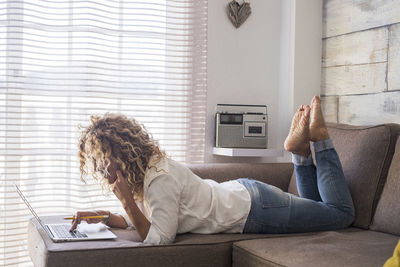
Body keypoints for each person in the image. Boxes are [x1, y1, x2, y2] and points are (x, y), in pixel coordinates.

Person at [70, 96, 355, 245]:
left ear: (121, 155)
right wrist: (102, 217)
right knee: (319, 208)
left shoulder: (158, 180)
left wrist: (125, 201)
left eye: (102, 160)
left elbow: (158, 238)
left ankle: (321, 140)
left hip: (256, 210)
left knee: (341, 214)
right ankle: (301, 153)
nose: (100, 168)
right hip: (249, 197)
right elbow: (140, 220)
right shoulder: (149, 171)